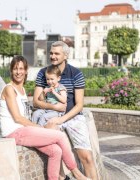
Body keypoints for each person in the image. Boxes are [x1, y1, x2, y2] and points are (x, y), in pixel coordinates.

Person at [0, 55, 90, 180]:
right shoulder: (9, 89)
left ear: (26, 71)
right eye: (15, 69)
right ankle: (76, 173)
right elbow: (17, 118)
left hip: (25, 131)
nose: (18, 72)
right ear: (11, 70)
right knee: (60, 136)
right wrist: (38, 127)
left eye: (21, 69)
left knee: (56, 151)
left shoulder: (21, 90)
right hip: (15, 132)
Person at [33, 41, 98, 180]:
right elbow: (36, 101)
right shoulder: (43, 73)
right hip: (52, 116)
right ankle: (63, 177)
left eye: (57, 53)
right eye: (51, 53)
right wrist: (55, 108)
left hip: (73, 116)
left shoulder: (76, 74)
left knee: (86, 157)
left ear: (66, 55)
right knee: (56, 151)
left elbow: (79, 105)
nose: (53, 56)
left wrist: (62, 118)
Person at [31, 65, 67, 129]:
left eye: (52, 79)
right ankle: (32, 128)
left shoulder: (61, 88)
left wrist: (55, 93)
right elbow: (40, 99)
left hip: (57, 112)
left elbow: (64, 100)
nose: (50, 82)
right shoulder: (47, 88)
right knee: (35, 114)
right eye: (47, 79)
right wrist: (43, 92)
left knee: (43, 117)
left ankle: (39, 131)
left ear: (58, 78)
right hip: (47, 109)